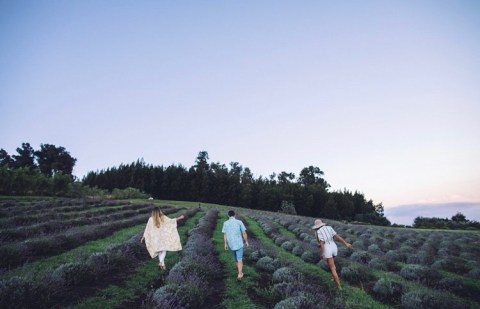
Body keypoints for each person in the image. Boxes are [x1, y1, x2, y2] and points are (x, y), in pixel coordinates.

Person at [312, 218, 352, 289]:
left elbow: (322, 243)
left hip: (327, 249)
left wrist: (323, 253)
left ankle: (339, 287)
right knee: (332, 265)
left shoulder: (318, 232)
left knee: (332, 268)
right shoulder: (329, 228)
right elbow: (338, 237)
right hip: (334, 247)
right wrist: (346, 244)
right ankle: (333, 278)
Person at [222, 210, 249, 280]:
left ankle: (239, 272)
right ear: (235, 215)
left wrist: (225, 244)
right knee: (239, 259)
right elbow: (244, 233)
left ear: (228, 215)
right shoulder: (239, 222)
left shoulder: (225, 223)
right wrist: (246, 241)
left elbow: (225, 234)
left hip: (231, 244)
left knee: (236, 260)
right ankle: (240, 274)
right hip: (239, 243)